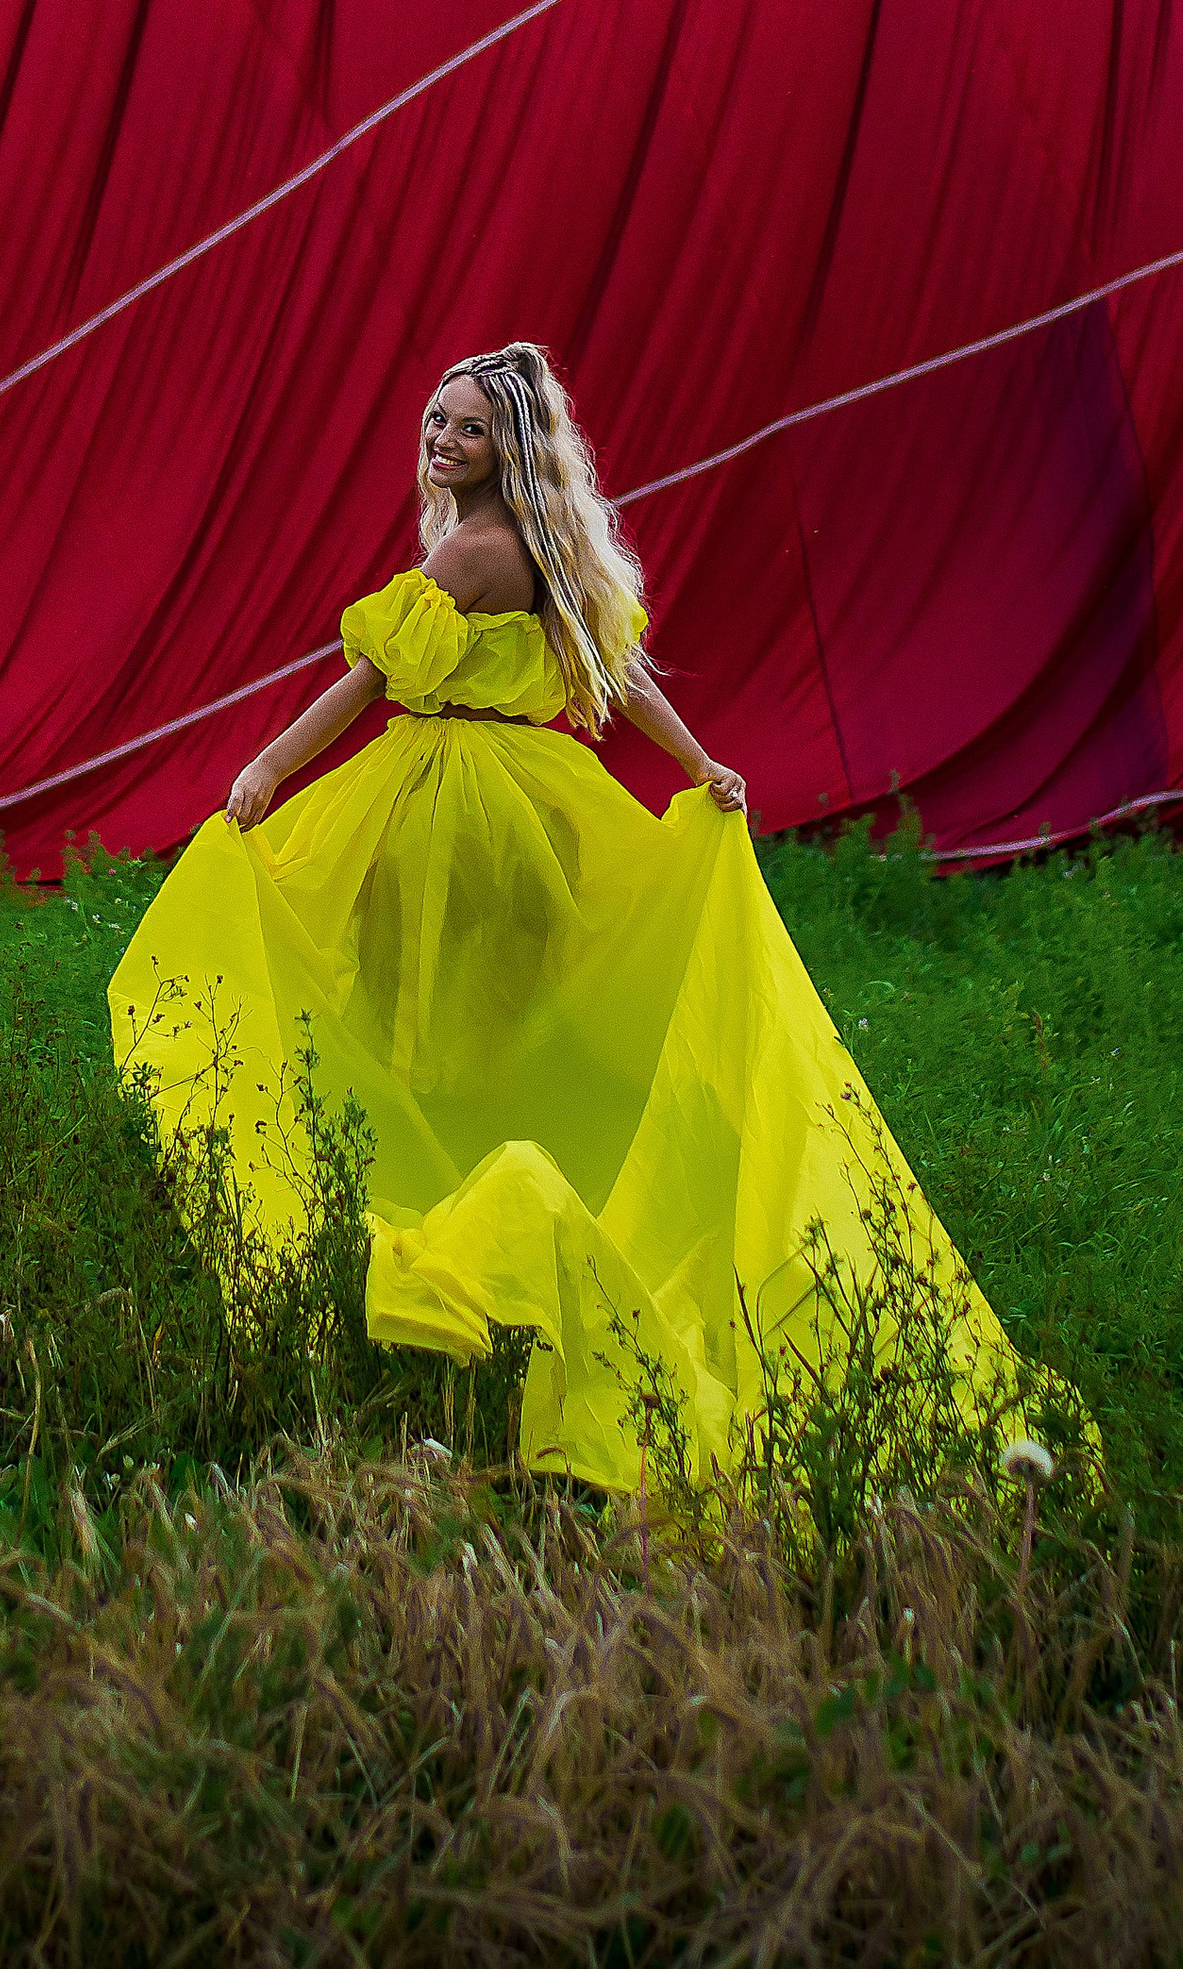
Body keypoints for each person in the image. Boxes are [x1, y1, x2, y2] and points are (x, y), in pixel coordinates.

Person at [108, 340, 1034, 1492]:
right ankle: (495, 1174)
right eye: (437, 422)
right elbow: (624, 677)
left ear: (511, 447)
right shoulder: (549, 551)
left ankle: (421, 1223)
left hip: (440, 803)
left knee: (376, 995)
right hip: (533, 803)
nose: (443, 441)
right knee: (482, 1012)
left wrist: (263, 767)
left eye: (468, 429)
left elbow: (364, 683)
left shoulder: (467, 554)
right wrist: (700, 763)